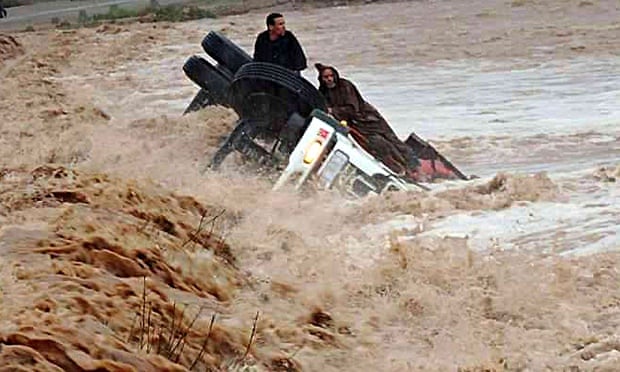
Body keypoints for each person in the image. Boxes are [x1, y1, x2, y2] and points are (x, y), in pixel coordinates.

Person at [315, 62, 419, 176]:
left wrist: (333, 111)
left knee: (392, 140)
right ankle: (397, 169)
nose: (329, 79)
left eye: (331, 76)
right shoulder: (323, 92)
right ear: (321, 79)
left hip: (368, 119)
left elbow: (353, 108)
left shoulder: (345, 86)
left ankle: (414, 165)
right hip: (355, 125)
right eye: (326, 77)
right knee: (378, 145)